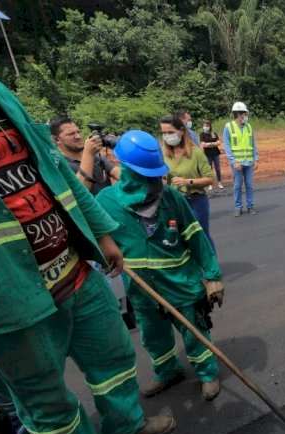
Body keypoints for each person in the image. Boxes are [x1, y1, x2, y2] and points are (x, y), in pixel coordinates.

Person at [0, 3, 175, 434]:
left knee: (114, 355)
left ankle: (126, 427)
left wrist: (102, 232)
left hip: (73, 270)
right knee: (45, 398)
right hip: (4, 304)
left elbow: (55, 171)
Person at [96, 131, 225, 401]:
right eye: (146, 174)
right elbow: (97, 239)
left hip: (181, 283)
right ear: (127, 170)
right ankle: (167, 372)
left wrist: (212, 276)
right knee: (153, 336)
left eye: (156, 173)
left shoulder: (171, 198)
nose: (154, 180)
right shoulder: (106, 202)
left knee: (194, 332)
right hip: (141, 288)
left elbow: (196, 236)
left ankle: (208, 374)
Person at [160, 114, 216, 251]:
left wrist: (188, 181)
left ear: (181, 130)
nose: (167, 136)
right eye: (164, 133)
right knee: (179, 238)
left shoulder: (196, 153)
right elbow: (161, 179)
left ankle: (211, 266)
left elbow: (209, 179)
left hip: (195, 201)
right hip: (173, 202)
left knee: (201, 236)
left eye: (171, 132)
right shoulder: (163, 154)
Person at [50, 116, 120, 196]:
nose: (78, 137)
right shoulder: (59, 165)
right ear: (56, 140)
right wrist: (88, 154)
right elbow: (80, 194)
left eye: (78, 132)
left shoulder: (96, 157)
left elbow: (119, 174)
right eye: (71, 134)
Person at [224, 101, 258, 216]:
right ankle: (238, 207)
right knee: (237, 186)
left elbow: (253, 143)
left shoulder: (249, 127)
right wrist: (233, 162)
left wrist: (256, 159)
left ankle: (250, 206)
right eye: (244, 113)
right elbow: (227, 146)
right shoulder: (228, 127)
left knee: (249, 185)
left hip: (248, 162)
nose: (246, 116)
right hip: (237, 164)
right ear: (239, 114)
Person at [199, 118, 223, 190]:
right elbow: (203, 144)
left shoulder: (213, 133)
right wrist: (213, 144)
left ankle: (219, 183)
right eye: (204, 125)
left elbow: (219, 142)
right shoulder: (202, 134)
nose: (206, 127)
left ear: (209, 126)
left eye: (207, 125)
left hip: (216, 153)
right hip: (207, 154)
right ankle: (210, 184)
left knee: (218, 168)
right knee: (209, 169)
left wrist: (209, 144)